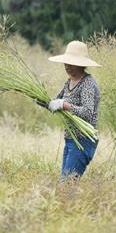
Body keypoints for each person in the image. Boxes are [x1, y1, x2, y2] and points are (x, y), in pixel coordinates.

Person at [43, 41, 102, 179]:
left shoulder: (88, 83)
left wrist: (65, 105)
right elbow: (54, 103)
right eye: (66, 63)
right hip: (71, 139)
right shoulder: (69, 81)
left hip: (83, 141)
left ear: (81, 64)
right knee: (66, 183)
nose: (67, 66)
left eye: (71, 63)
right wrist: (39, 99)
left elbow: (87, 113)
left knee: (67, 184)